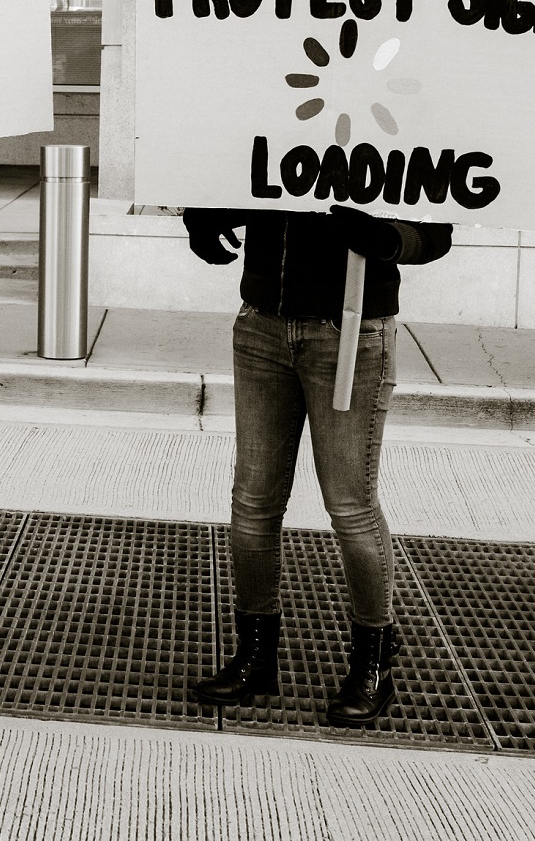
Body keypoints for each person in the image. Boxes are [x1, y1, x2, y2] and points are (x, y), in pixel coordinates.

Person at [182, 203, 453, 726]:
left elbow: (435, 234)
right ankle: (256, 655)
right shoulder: (266, 120)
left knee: (350, 506)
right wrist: (204, 213)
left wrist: (387, 238)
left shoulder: (395, 130)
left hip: (350, 328)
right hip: (262, 322)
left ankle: (372, 662)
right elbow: (254, 177)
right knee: (253, 502)